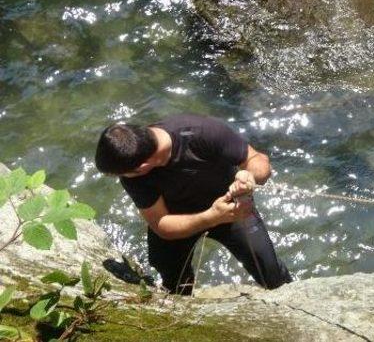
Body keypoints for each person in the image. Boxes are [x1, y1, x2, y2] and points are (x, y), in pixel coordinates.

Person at [94, 113, 292, 294]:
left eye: (123, 174)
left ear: (143, 167)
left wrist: (249, 176)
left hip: (232, 210)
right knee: (172, 279)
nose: (122, 178)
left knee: (271, 272)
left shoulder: (201, 132)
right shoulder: (133, 174)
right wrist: (211, 217)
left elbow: (259, 160)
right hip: (179, 220)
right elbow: (161, 224)